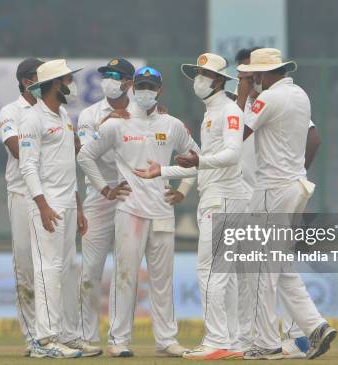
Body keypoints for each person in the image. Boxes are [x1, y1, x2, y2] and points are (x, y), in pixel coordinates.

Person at [133, 53, 249, 359]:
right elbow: (202, 164)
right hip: (220, 196)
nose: (198, 80)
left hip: (223, 198)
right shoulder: (213, 112)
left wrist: (198, 161)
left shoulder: (229, 111)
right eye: (197, 73)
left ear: (221, 80)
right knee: (226, 274)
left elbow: (233, 154)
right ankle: (234, 342)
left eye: (205, 74)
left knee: (209, 271)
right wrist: (163, 171)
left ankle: (216, 341)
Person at [78, 66, 195, 358]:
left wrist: (182, 190)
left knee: (162, 279)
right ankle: (119, 339)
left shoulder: (172, 124)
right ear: (132, 89)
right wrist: (105, 189)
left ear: (160, 91)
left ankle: (166, 340)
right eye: (140, 86)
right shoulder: (117, 124)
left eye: (150, 87)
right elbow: (85, 156)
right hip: (129, 210)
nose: (144, 92)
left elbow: (196, 159)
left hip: (163, 212)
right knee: (125, 275)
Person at [236, 48, 336, 360]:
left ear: (263, 75)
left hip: (271, 189)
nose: (251, 79)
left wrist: (242, 96)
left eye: (253, 75)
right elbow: (313, 138)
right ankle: (315, 325)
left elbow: (236, 133)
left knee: (261, 270)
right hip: (295, 186)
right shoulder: (300, 94)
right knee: (281, 265)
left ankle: (266, 343)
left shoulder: (269, 98)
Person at [18, 59, 99, 358]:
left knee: (65, 270)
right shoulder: (32, 119)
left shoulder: (64, 114)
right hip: (46, 202)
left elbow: (68, 166)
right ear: (55, 84)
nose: (71, 84)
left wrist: (78, 208)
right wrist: (41, 205)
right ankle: (45, 340)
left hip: (66, 200)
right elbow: (27, 166)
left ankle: (66, 335)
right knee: (47, 269)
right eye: (67, 79)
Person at [76, 58, 135, 345]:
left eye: (115, 75)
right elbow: (88, 155)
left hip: (130, 194)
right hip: (99, 196)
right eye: (106, 75)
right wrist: (104, 189)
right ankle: (87, 337)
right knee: (90, 271)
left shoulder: (142, 113)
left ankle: (118, 338)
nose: (109, 80)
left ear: (129, 83)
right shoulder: (89, 114)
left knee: (124, 269)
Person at [0, 57, 44, 355]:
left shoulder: (54, 110)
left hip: (52, 196)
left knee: (53, 269)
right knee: (26, 267)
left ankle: (56, 333)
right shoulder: (11, 111)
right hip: (22, 194)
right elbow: (17, 149)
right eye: (43, 77)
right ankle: (33, 338)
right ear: (27, 81)